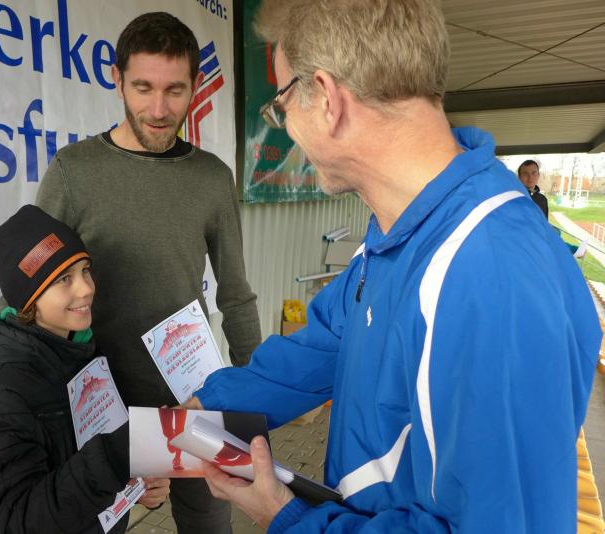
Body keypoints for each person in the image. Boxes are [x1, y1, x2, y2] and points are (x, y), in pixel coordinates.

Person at [186, 1, 602, 532]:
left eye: (282, 103)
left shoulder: (492, 279)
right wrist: (204, 410)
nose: (285, 125)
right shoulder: (403, 228)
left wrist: (288, 518)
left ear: (328, 99)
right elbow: (324, 345)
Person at [0, 12, 261, 533]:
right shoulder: (73, 172)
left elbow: (236, 297)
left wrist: (259, 400)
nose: (158, 109)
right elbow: (23, 294)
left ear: (195, 86)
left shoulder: (212, 178)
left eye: (174, 90)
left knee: (210, 522)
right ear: (117, 79)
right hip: (96, 413)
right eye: (143, 88)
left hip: (193, 401)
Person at [0, 205, 169, 534]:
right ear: (28, 299)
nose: (86, 288)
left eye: (85, 270)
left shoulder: (80, 348)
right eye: (63, 279)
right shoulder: (3, 390)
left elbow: (81, 467)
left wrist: (139, 487)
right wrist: (118, 458)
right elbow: (11, 523)